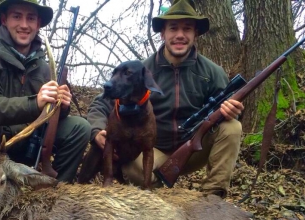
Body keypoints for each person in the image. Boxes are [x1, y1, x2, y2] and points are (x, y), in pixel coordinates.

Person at [88, 0, 244, 197]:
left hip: (195, 148)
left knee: (232, 127)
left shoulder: (212, 72)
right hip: (152, 151)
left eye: (187, 29)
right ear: (163, 33)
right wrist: (96, 130)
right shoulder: (142, 71)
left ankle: (213, 198)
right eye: (173, 28)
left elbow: (231, 108)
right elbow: (102, 103)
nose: (180, 35)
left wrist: (233, 112)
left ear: (195, 33)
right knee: (140, 176)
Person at [0, 0, 90, 183]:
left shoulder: (44, 68)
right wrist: (35, 102)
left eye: (30, 18)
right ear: (4, 19)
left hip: (27, 136)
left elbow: (48, 115)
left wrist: (61, 105)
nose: (24, 25)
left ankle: (57, 192)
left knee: (79, 128)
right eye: (16, 16)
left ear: (38, 24)